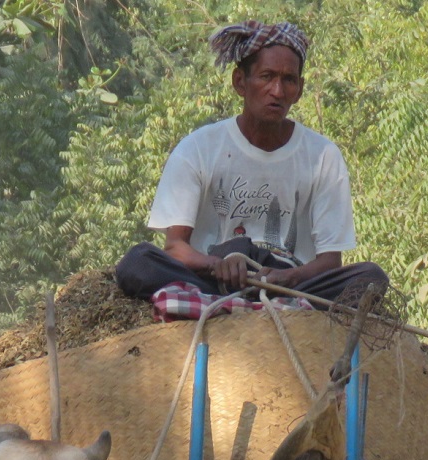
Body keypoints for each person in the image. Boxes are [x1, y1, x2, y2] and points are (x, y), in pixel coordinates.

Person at [115, 20, 388, 306]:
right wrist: (215, 265)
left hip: (290, 285)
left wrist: (289, 278)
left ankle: (247, 303)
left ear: (300, 89)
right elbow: (174, 247)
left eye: (289, 80)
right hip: (213, 279)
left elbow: (331, 261)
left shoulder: (323, 156)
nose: (277, 91)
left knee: (371, 277)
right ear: (239, 82)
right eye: (266, 77)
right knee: (139, 262)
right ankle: (230, 301)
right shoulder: (198, 149)